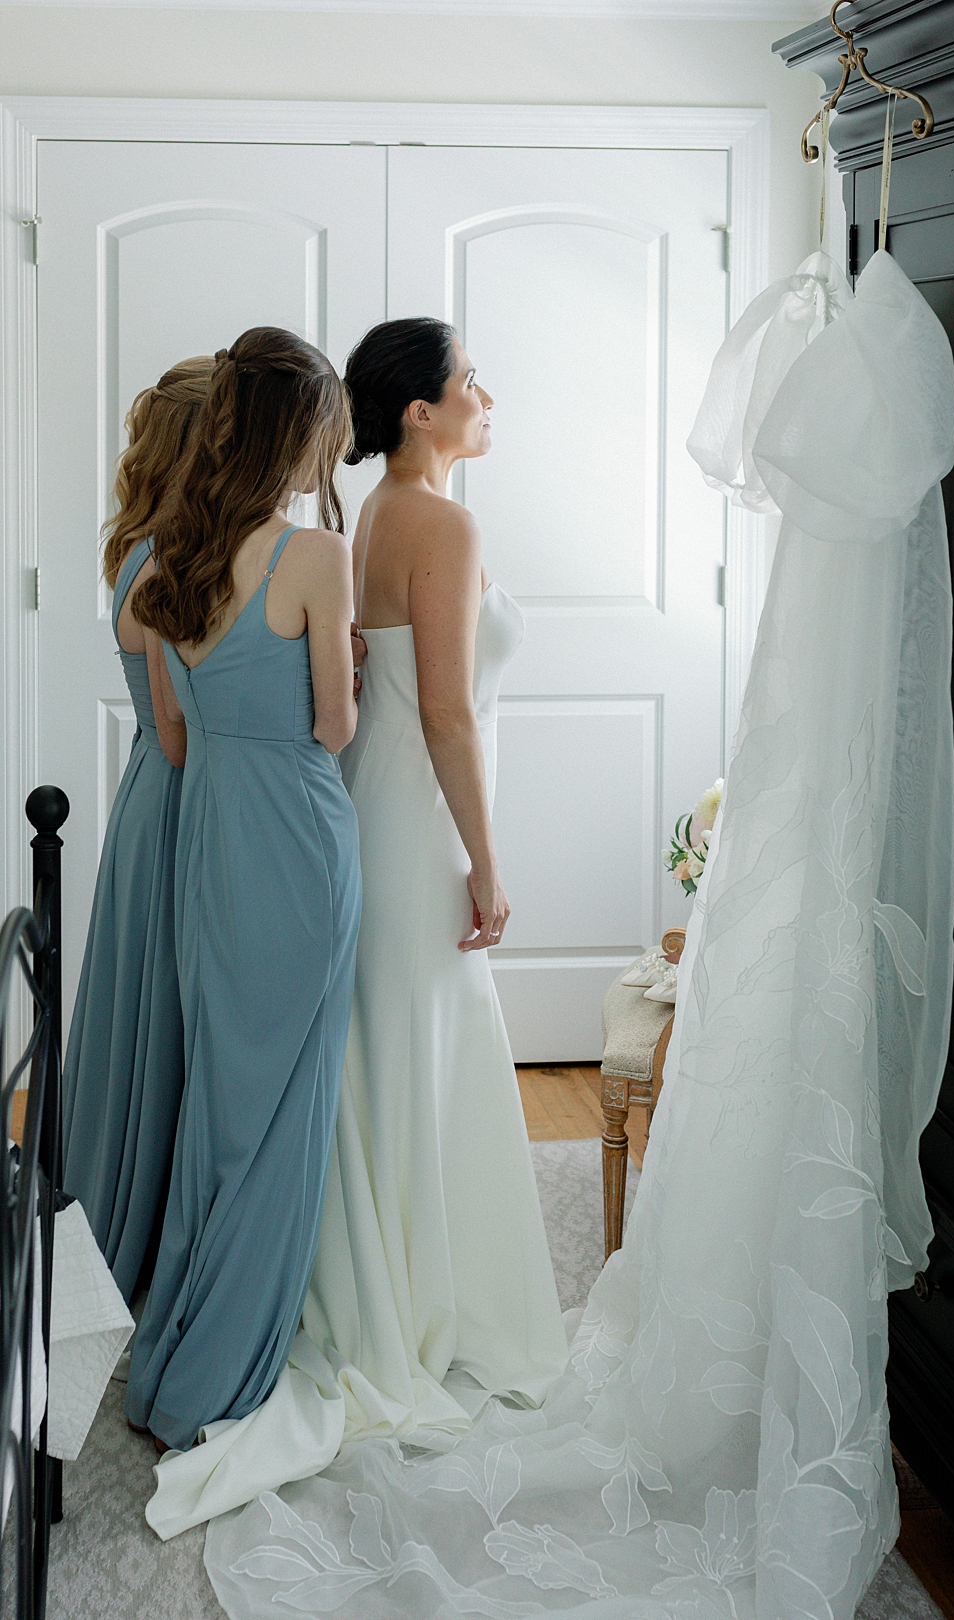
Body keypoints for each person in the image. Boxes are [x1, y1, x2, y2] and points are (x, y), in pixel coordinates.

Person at [302, 316, 567, 1437]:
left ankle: (393, 1275)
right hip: (420, 826)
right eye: (470, 382)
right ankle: (420, 1299)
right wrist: (488, 865)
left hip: (380, 808)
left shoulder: (374, 511)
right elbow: (449, 714)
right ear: (422, 411)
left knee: (400, 1045)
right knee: (427, 1037)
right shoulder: (442, 524)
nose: (486, 398)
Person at [123, 328, 362, 1454]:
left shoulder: (169, 554)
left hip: (213, 841)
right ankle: (225, 1362)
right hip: (301, 841)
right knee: (288, 1099)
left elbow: (171, 739)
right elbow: (336, 727)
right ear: (299, 435)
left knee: (222, 1098)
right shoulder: (314, 555)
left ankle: (168, 1356)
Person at [62, 357, 211, 1306]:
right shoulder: (165, 562)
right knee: (169, 1008)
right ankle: (152, 1231)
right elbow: (176, 727)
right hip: (176, 795)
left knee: (149, 1005)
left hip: (148, 790)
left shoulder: (137, 546)